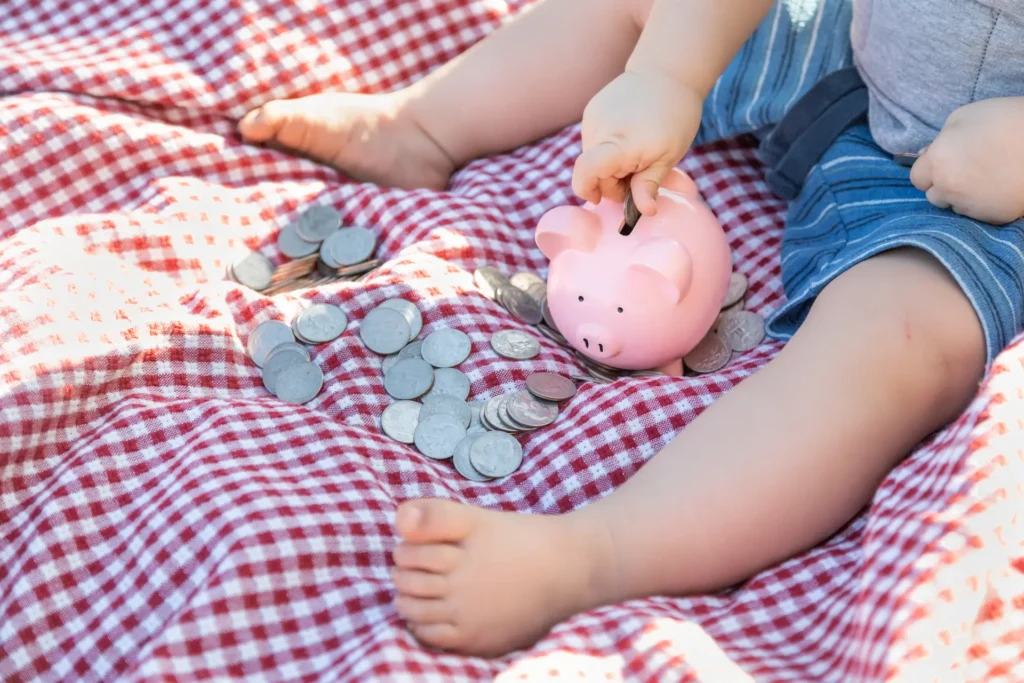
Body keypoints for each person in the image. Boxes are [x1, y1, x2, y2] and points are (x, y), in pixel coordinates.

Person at [238, 0, 1024, 658]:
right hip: (856, 47)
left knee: (905, 346)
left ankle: (599, 551)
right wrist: (666, 75)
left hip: (992, 193)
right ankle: (423, 126)